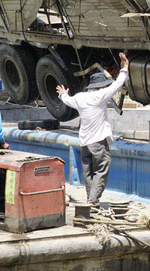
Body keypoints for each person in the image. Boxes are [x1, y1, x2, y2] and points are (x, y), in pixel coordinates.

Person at [57, 52, 129, 206]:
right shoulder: (101, 96)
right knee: (101, 170)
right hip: (98, 142)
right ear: (101, 86)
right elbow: (117, 84)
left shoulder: (80, 97)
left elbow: (68, 100)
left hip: (84, 143)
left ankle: (91, 202)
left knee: (88, 173)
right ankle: (93, 200)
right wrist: (125, 68)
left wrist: (62, 94)